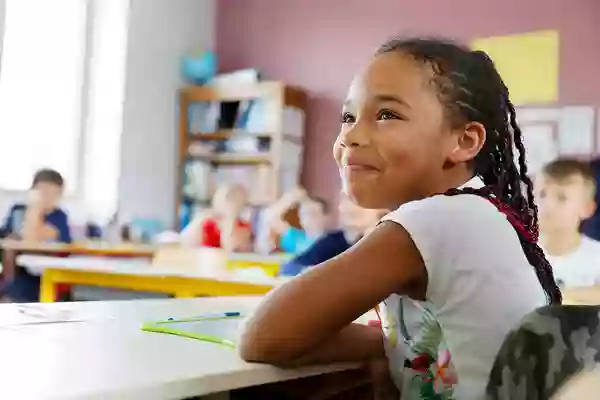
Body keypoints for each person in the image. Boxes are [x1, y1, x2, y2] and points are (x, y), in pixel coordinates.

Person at [238, 37, 561, 399]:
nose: (351, 136)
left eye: (387, 115)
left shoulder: (439, 219)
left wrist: (377, 344)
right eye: (348, 117)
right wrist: (385, 345)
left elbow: (262, 338)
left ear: (465, 141)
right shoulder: (470, 212)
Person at [1, 169, 72, 302]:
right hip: (13, 276)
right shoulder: (17, 210)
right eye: (43, 192)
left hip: (41, 282)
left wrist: (35, 208)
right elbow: (5, 235)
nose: (47, 198)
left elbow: (31, 238)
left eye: (53, 193)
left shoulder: (59, 217)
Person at [279, 194, 384, 276]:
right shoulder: (333, 241)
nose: (349, 207)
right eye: (346, 199)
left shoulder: (389, 245)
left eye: (361, 198)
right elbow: (291, 268)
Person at [537, 158, 600, 288]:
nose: (547, 204)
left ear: (587, 209)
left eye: (561, 198)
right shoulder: (516, 255)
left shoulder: (596, 260)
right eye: (542, 194)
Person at [180, 184, 253, 252]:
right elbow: (184, 240)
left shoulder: (243, 227)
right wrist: (201, 219)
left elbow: (230, 248)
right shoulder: (207, 224)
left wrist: (230, 219)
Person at [263, 187, 329, 254]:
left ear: (325, 217)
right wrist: (290, 198)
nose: (308, 218)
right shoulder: (294, 237)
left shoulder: (331, 242)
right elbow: (269, 216)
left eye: (312, 213)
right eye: (304, 214)